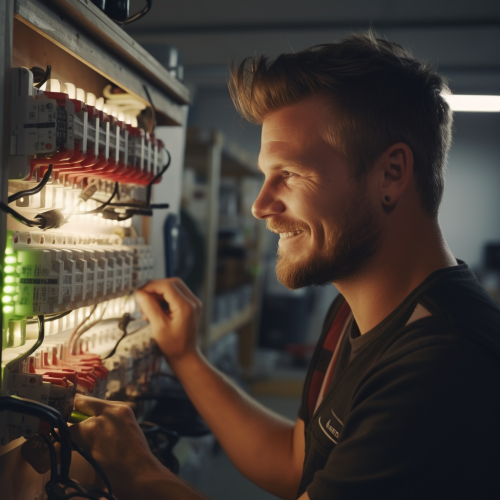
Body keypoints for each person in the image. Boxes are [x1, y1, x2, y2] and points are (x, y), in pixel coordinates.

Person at [70, 32, 500, 500]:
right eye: (265, 176)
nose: (260, 205)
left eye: (289, 174)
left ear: (391, 174)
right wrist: (186, 356)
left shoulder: (443, 364)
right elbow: (295, 463)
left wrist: (135, 468)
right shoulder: (355, 311)